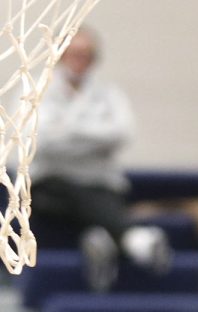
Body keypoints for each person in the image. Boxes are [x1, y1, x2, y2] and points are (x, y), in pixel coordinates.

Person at [29, 28, 171, 290]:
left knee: (92, 195)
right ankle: (131, 238)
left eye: (85, 55)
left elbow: (121, 134)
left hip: (100, 186)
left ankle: (95, 234)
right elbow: (41, 141)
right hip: (50, 190)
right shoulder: (37, 90)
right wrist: (94, 139)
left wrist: (67, 131)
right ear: (60, 56)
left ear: (94, 58)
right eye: (74, 54)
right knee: (66, 190)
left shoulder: (110, 95)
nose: (79, 61)